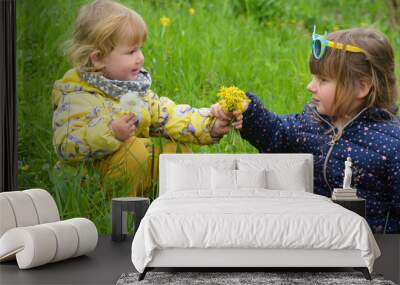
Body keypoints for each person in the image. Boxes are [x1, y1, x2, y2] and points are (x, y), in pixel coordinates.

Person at [212, 26, 400, 233]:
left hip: (374, 252)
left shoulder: (391, 144)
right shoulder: (312, 121)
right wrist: (248, 112)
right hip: (313, 239)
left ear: (361, 87)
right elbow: (278, 134)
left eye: (323, 80)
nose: (311, 86)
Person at [52, 0, 238, 197]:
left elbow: (170, 116)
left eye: (140, 49)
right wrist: (111, 132)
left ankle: (182, 203)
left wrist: (211, 124)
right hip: (89, 184)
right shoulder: (77, 95)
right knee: (135, 151)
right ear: (98, 58)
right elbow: (66, 144)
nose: (140, 57)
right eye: (131, 51)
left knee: (176, 152)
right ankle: (122, 214)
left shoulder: (133, 90)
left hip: (131, 174)